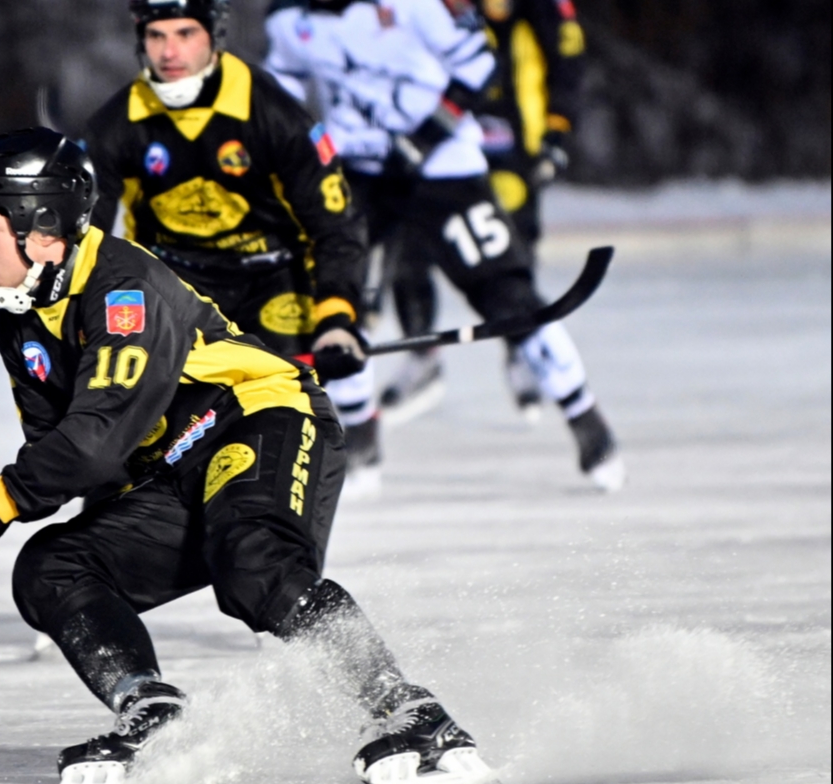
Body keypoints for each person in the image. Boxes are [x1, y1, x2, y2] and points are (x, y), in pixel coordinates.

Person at [0, 126, 491, 784]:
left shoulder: (122, 290)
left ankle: (413, 712)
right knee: (53, 566)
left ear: (43, 229)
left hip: (258, 417)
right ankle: (152, 712)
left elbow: (98, 436)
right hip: (174, 469)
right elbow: (64, 451)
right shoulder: (17, 315)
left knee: (254, 563)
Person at [265, 0, 623, 490]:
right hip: (356, 175)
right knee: (333, 305)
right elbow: (276, 91)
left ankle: (584, 415)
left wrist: (429, 136)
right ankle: (360, 435)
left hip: (441, 170)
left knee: (504, 292)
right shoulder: (288, 17)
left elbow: (479, 66)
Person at [84, 0, 385, 495]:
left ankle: (352, 427)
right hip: (175, 288)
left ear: (215, 36)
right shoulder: (118, 122)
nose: (170, 51)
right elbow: (85, 239)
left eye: (185, 33)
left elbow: (335, 224)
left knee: (273, 435)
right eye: (156, 36)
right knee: (145, 447)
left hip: (271, 281)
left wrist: (337, 316)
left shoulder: (271, 111)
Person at [378, 0, 588, 423]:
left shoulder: (547, 9)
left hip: (516, 143)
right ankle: (422, 351)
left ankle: (520, 351)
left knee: (511, 250)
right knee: (407, 245)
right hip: (450, 145)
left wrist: (558, 129)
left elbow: (568, 62)